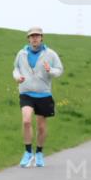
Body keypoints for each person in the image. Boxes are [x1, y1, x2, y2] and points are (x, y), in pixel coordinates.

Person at [13, 27, 63, 168]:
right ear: (28, 39)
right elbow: (15, 68)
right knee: (26, 121)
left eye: (37, 36)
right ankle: (28, 152)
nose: (34, 38)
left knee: (41, 126)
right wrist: (17, 77)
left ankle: (39, 152)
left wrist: (50, 70)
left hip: (43, 93)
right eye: (32, 36)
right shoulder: (21, 53)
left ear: (42, 38)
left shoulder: (50, 54)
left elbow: (59, 70)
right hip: (26, 92)